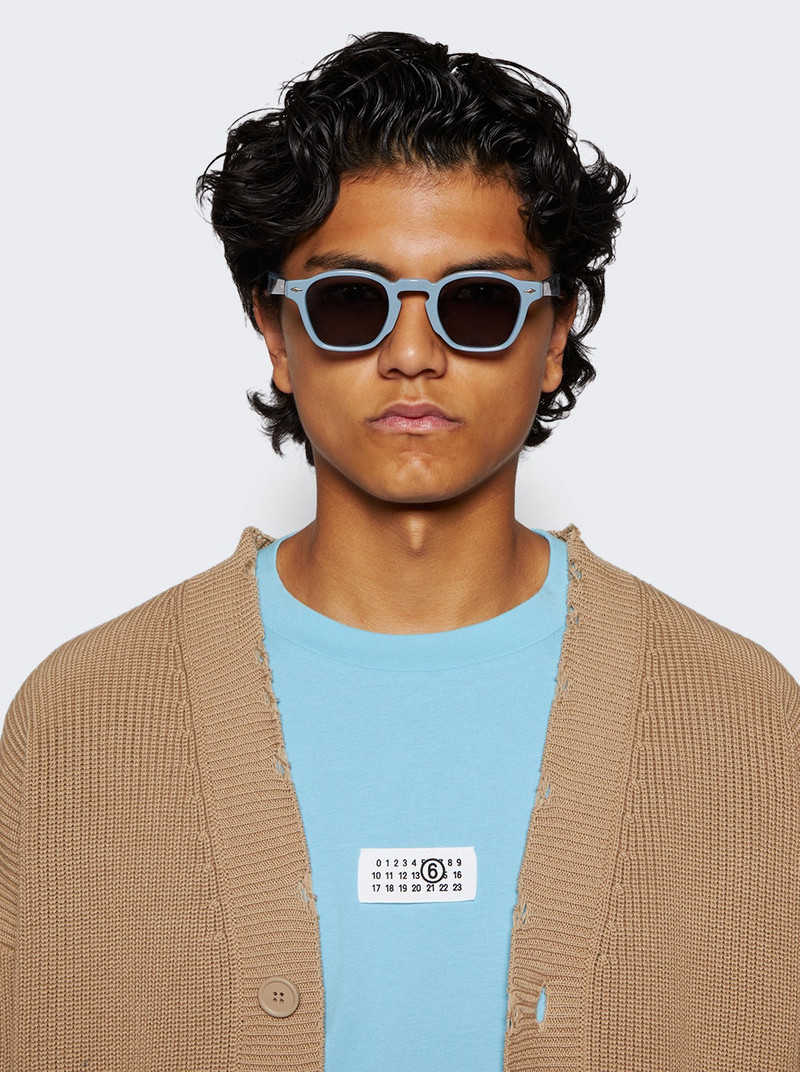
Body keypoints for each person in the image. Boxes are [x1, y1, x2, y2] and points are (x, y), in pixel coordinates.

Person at [1, 30, 797, 1072]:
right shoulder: (81, 725)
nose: (412, 353)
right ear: (275, 333)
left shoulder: (741, 724)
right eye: (349, 303)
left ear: (553, 333)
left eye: (477, 302)